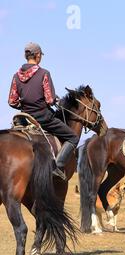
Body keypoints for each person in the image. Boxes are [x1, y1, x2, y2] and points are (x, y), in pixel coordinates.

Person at [8, 42, 79, 181]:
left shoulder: (16, 76)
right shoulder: (44, 73)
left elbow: (12, 101)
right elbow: (50, 99)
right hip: (43, 117)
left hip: (24, 118)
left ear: (26, 56)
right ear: (38, 55)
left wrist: (25, 104)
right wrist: (53, 100)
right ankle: (57, 167)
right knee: (73, 137)